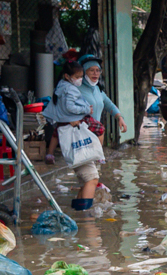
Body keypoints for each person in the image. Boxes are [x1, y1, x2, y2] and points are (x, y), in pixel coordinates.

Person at [46, 60, 107, 216]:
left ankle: (79, 215)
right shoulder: (69, 90)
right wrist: (86, 108)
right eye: (78, 76)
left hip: (70, 137)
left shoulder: (61, 87)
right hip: (75, 137)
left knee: (86, 181)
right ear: (68, 76)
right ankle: (86, 219)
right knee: (92, 179)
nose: (80, 79)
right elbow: (69, 107)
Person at [79, 56, 128, 147]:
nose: (95, 73)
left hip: (96, 131)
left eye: (98, 70)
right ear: (84, 72)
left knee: (95, 158)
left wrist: (120, 118)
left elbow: (109, 105)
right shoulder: (77, 89)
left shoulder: (98, 90)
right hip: (81, 132)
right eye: (91, 70)